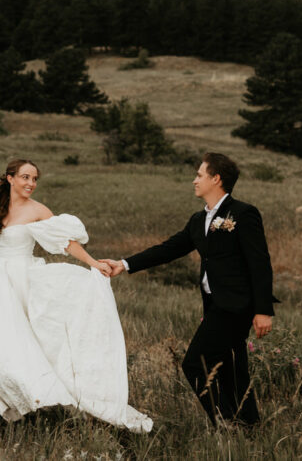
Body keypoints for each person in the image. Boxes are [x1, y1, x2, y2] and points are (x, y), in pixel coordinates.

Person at [0, 158, 152, 433]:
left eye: (34, 179)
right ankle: (15, 400)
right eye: (25, 177)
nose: (31, 183)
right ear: (10, 178)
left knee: (32, 342)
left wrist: (92, 263)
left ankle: (49, 398)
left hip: (24, 280)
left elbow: (66, 243)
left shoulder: (38, 210)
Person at [101, 152, 276, 427]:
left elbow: (260, 263)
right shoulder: (198, 220)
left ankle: (225, 421)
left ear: (216, 179)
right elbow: (169, 249)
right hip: (214, 304)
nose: (194, 180)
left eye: (199, 175)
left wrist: (264, 310)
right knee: (232, 367)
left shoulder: (243, 214)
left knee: (195, 363)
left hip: (235, 305)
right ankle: (250, 424)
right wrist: (124, 264)